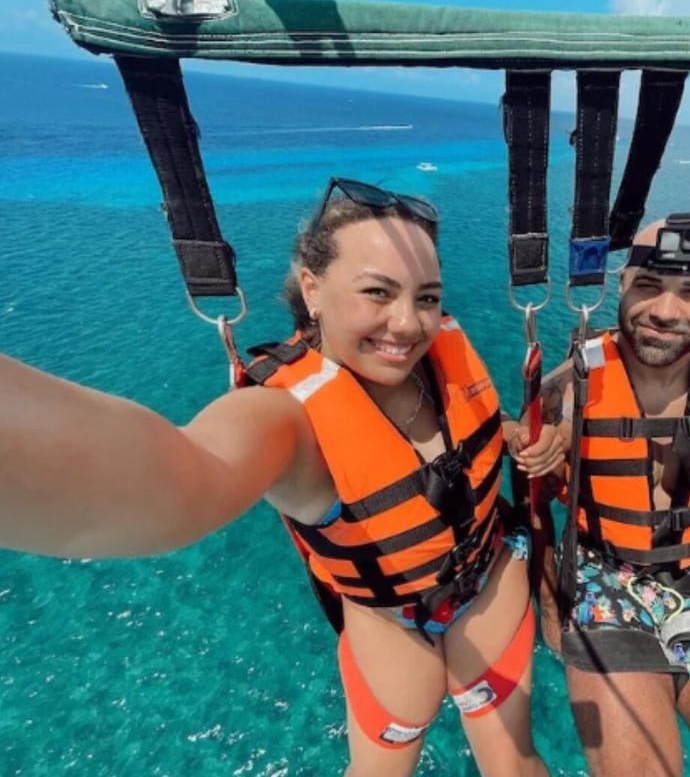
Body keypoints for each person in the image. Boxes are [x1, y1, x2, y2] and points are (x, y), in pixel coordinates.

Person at [0, 178, 557, 777]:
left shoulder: (438, 366)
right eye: (378, 292)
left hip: (489, 590)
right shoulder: (290, 421)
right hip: (393, 631)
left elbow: (461, 433)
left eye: (426, 298)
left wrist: (512, 433)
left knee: (514, 763)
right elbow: (179, 479)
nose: (407, 324)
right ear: (313, 289)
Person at [511, 213, 690, 776]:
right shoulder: (564, 394)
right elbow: (534, 505)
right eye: (647, 285)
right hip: (602, 583)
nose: (666, 312)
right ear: (620, 284)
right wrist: (549, 602)